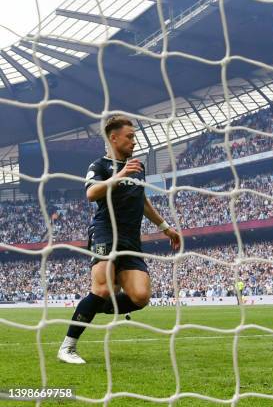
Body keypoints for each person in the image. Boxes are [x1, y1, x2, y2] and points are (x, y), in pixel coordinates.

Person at [57, 116, 181, 364]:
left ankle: (95, 305)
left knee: (140, 296)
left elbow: (142, 200)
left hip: (131, 239)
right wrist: (120, 174)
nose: (134, 141)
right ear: (114, 138)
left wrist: (165, 227)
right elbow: (91, 193)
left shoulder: (139, 167)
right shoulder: (99, 165)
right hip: (105, 231)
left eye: (134, 136)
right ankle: (67, 347)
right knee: (102, 288)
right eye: (130, 136)